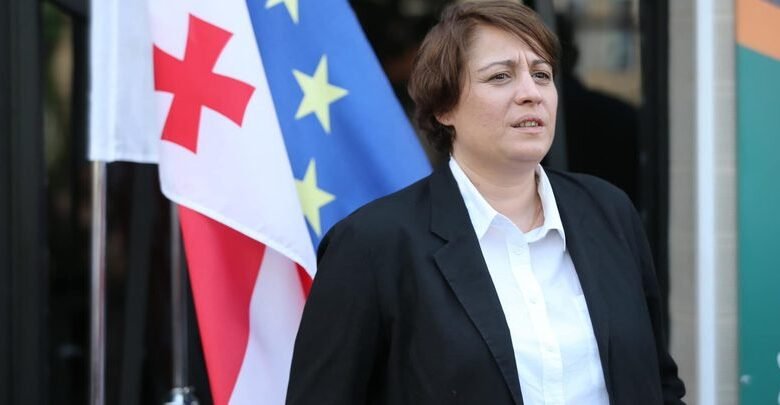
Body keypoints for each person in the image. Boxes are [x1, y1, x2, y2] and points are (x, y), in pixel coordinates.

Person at [286, 1, 686, 404]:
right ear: (444, 106)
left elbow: (658, 382)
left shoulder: (609, 212)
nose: (531, 93)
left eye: (541, 74)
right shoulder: (372, 244)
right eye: (500, 76)